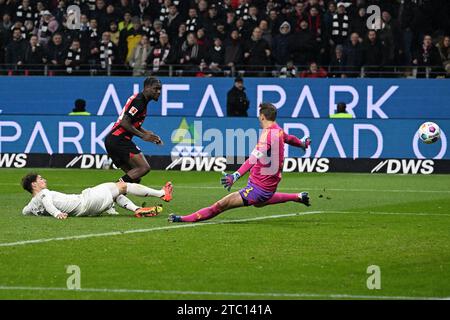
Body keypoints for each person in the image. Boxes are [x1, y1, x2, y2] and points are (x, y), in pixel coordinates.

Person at [168, 103, 311, 223]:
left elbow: (253, 158)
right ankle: (297, 196)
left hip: (258, 188)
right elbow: (290, 138)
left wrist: (235, 175)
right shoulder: (278, 130)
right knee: (260, 202)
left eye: (259, 116)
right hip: (269, 187)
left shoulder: (268, 135)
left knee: (220, 205)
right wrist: (302, 144)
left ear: (262, 116)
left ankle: (182, 219)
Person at [104, 77, 171, 199]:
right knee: (143, 168)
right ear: (147, 88)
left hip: (114, 140)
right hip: (119, 139)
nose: (159, 92)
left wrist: (148, 134)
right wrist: (143, 136)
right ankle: (109, 195)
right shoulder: (139, 101)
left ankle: (111, 201)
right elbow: (124, 122)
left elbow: (132, 123)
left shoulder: (141, 101)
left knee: (135, 178)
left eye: (160, 89)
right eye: (156, 89)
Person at [21, 173, 169, 219]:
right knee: (124, 185)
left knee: (116, 193)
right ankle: (162, 193)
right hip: (86, 200)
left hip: (86, 210)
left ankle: (137, 209)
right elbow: (47, 202)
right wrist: (57, 213)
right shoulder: (44, 194)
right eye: (40, 179)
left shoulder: (33, 203)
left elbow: (25, 211)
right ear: (34, 185)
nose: (44, 180)